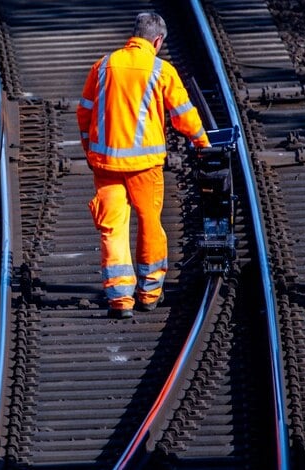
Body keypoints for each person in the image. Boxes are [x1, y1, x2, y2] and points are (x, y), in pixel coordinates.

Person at [77, 12, 211, 320]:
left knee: (112, 227)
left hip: (106, 165)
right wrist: (203, 144)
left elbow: (84, 113)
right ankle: (149, 293)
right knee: (149, 223)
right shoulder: (161, 70)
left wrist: (90, 149)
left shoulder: (103, 66)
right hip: (145, 167)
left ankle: (120, 298)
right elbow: (183, 114)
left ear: (133, 34)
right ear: (158, 40)